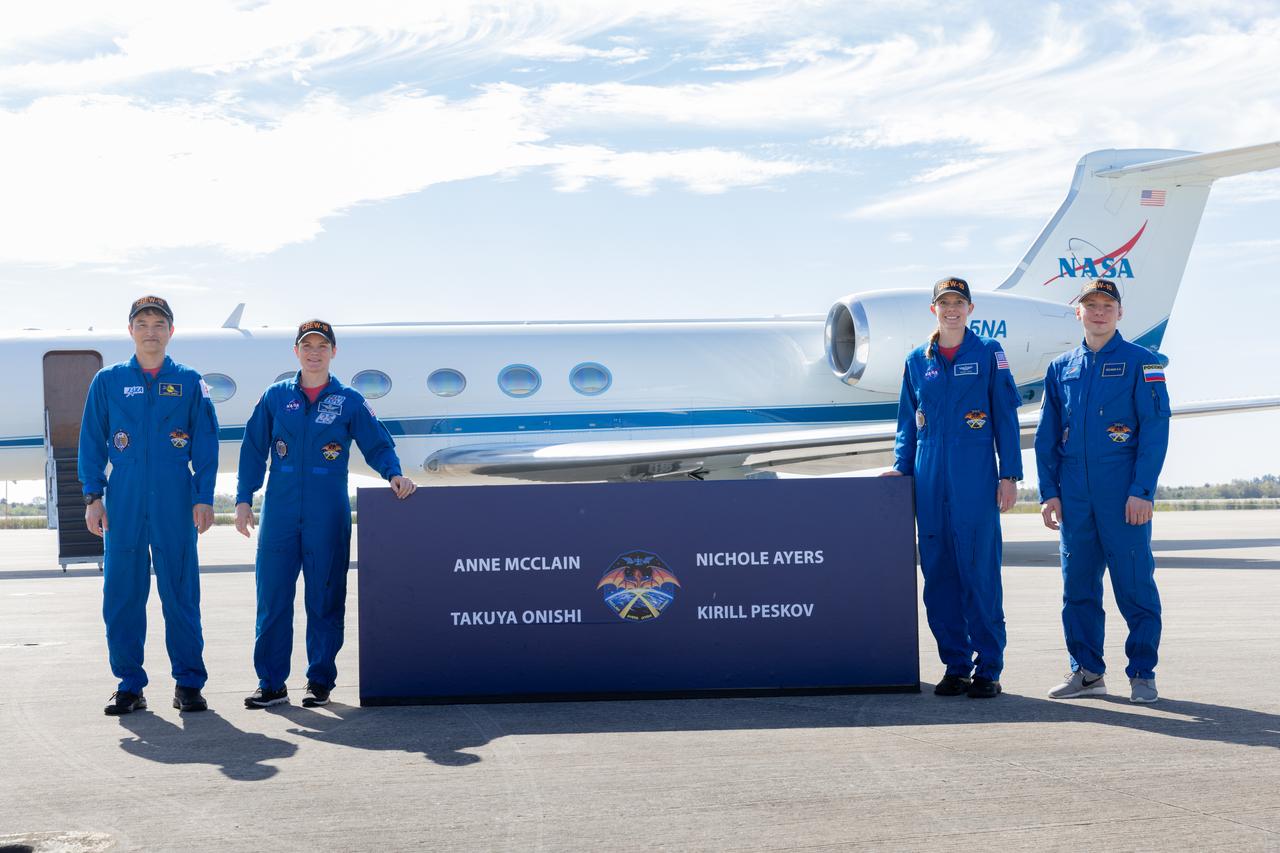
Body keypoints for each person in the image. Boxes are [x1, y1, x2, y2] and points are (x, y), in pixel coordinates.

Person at [235, 319, 416, 708]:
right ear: (296, 352)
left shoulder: (348, 400)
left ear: (333, 352)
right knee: (273, 599)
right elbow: (252, 449)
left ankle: (320, 681)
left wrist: (394, 474)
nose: (314, 352)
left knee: (326, 597)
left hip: (327, 510)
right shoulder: (274, 396)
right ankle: (271, 683)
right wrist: (243, 498)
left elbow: (377, 443)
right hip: (280, 510)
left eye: (322, 346)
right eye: (307, 345)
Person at [79, 296, 219, 715]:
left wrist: (203, 497)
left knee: (181, 594)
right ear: (131, 331)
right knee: (122, 595)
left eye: (159, 323)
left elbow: (207, 444)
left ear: (171, 331)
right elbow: (90, 441)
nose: (151, 330)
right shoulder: (107, 381)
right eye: (143, 323)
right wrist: (93, 496)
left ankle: (188, 683)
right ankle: (129, 684)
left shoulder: (191, 382)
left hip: (175, 497)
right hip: (123, 499)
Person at [883, 277, 1022, 699]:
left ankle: (988, 669)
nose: (952, 310)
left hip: (974, 478)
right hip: (928, 482)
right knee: (939, 576)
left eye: (959, 303)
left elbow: (1006, 418)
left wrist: (1009, 475)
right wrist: (901, 469)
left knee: (979, 574)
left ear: (970, 308)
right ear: (934, 310)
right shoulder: (915, 360)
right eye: (944, 303)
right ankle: (956, 665)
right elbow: (908, 422)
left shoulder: (988, 354)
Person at [1036, 279, 1170, 703]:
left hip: (1123, 494)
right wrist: (1048, 491)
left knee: (1134, 586)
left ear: (1119, 314)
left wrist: (1142, 491)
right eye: (1090, 305)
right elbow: (1047, 436)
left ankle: (1143, 674)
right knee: (1077, 588)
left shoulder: (1142, 362)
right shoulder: (1061, 369)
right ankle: (1087, 672)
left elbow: (1154, 430)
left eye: (1106, 306)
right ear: (1078, 312)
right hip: (1074, 496)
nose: (1098, 312)